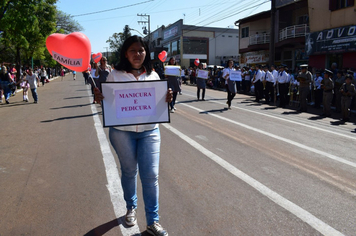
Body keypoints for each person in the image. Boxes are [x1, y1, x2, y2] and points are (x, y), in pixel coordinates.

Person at [94, 36, 170, 236]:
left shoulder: (153, 75)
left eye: (141, 50)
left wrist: (167, 98)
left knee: (151, 176)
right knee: (129, 172)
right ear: (125, 53)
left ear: (146, 53)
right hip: (122, 133)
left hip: (150, 131)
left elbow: (159, 102)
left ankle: (153, 221)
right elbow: (109, 104)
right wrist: (100, 98)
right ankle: (131, 207)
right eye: (133, 50)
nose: (138, 54)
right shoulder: (115, 75)